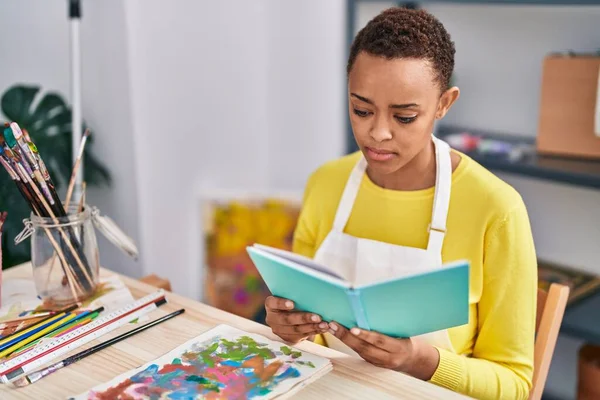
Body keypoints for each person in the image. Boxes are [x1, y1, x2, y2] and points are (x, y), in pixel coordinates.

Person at [263, 7, 537, 400]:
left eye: (405, 116)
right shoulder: (326, 184)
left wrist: (420, 361)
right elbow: (312, 342)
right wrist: (291, 327)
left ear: (444, 103)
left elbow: (514, 386)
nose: (377, 133)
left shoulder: (496, 209)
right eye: (361, 110)